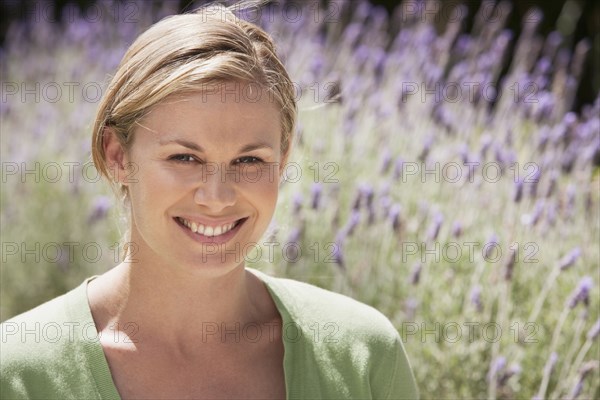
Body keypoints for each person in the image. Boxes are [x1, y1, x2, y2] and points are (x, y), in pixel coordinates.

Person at [1, 3, 418, 399]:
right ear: (118, 156)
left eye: (249, 160)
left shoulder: (363, 358)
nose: (217, 197)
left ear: (283, 159)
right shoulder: (19, 374)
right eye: (185, 157)